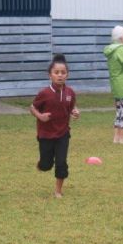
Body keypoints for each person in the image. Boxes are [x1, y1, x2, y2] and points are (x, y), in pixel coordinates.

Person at [30, 54, 80, 198]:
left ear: (67, 75)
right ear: (50, 75)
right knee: (46, 165)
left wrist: (76, 112)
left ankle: (58, 191)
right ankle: (42, 164)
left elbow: (71, 107)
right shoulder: (44, 93)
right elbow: (32, 107)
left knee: (61, 162)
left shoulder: (70, 92)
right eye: (56, 72)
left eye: (63, 73)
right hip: (45, 134)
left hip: (63, 134)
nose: (60, 75)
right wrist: (40, 116)